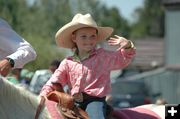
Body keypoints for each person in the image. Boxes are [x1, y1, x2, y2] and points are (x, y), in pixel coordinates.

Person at [40, 13, 136, 119]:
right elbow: (54, 81)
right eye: (84, 36)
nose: (88, 40)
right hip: (72, 102)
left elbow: (122, 60)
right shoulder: (67, 62)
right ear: (74, 38)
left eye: (92, 36)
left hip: (95, 101)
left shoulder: (102, 57)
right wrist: (44, 94)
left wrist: (127, 46)